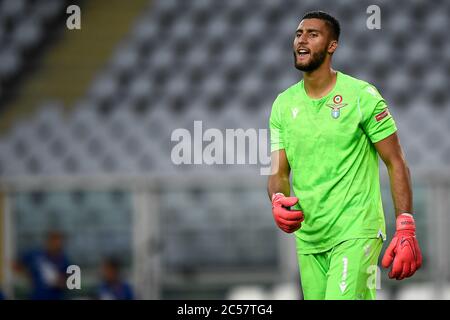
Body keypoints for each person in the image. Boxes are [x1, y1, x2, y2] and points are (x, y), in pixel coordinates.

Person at [267, 11, 422, 300]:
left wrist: (406, 225)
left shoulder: (362, 96)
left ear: (332, 46)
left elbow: (395, 160)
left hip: (356, 230)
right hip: (310, 238)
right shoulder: (282, 106)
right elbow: (278, 170)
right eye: (299, 33)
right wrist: (277, 198)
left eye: (313, 34)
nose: (302, 39)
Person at [15, 230, 71, 300]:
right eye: (53, 241)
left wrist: (61, 283)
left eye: (59, 242)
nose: (56, 245)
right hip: (36, 295)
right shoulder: (35, 255)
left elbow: (70, 281)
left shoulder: (64, 260)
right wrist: (28, 274)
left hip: (55, 296)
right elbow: (17, 265)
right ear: (48, 242)